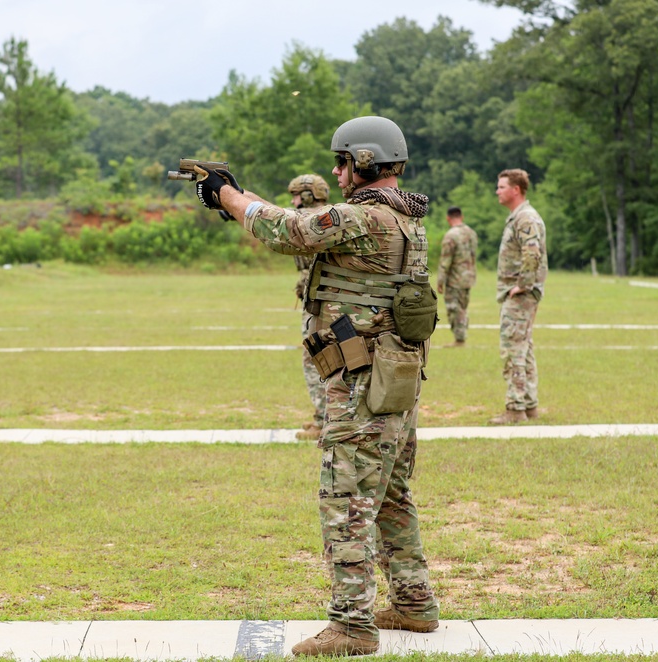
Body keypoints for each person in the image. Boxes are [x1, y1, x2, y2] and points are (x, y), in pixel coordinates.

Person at [192, 116, 440, 657]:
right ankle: (415, 602)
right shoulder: (402, 218)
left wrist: (229, 198)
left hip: (360, 385)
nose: (336, 170)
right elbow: (295, 218)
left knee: (346, 498)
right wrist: (232, 194)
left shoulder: (361, 219)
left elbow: (291, 231)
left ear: (367, 161)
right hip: (394, 379)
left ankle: (352, 625)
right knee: (393, 494)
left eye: (342, 162)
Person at [489, 168, 548, 425]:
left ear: (516, 189)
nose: (497, 191)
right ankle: (529, 405)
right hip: (519, 292)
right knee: (524, 347)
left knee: (513, 349)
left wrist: (522, 285)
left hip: (521, 294)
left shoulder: (525, 218)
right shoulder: (519, 217)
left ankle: (515, 408)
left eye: (501, 186)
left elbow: (532, 253)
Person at [288, 174, 331, 442]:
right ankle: (323, 417)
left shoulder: (305, 220)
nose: (292, 200)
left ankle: (325, 419)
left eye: (295, 195)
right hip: (327, 298)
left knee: (315, 357)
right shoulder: (329, 215)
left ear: (306, 195)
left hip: (319, 302)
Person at [436, 206, 478, 346]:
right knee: (463, 308)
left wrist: (440, 280)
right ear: (462, 216)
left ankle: (459, 339)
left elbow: (445, 261)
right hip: (469, 277)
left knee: (454, 308)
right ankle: (461, 336)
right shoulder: (471, 233)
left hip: (455, 279)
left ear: (448, 218)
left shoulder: (451, 235)